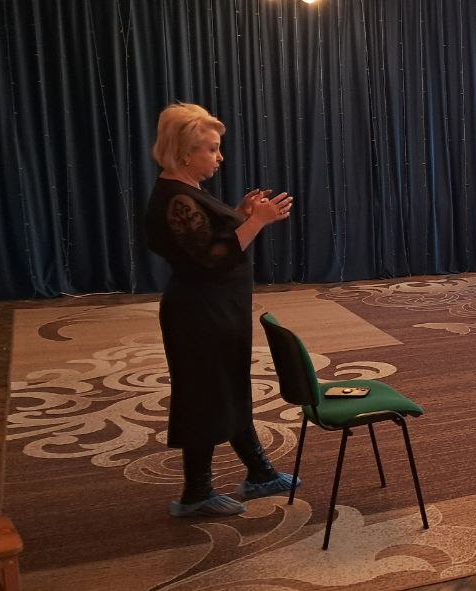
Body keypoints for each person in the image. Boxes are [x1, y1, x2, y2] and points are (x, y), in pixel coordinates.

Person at [143, 103, 298, 517]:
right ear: (184, 153)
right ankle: (196, 494)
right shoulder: (176, 198)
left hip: (216, 311)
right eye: (211, 149)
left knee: (227, 389)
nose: (220, 157)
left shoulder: (185, 191)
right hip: (200, 316)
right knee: (204, 397)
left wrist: (241, 213)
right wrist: (255, 222)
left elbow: (207, 238)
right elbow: (210, 260)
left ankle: (259, 473)